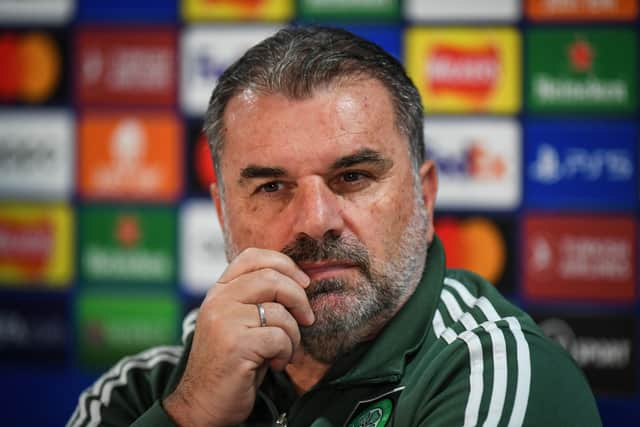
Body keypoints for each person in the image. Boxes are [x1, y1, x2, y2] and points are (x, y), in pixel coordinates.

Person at [67, 27, 601, 427]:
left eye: (352, 176)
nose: (316, 220)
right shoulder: (145, 390)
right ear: (224, 214)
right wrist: (188, 413)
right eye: (272, 186)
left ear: (426, 195)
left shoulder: (502, 378)